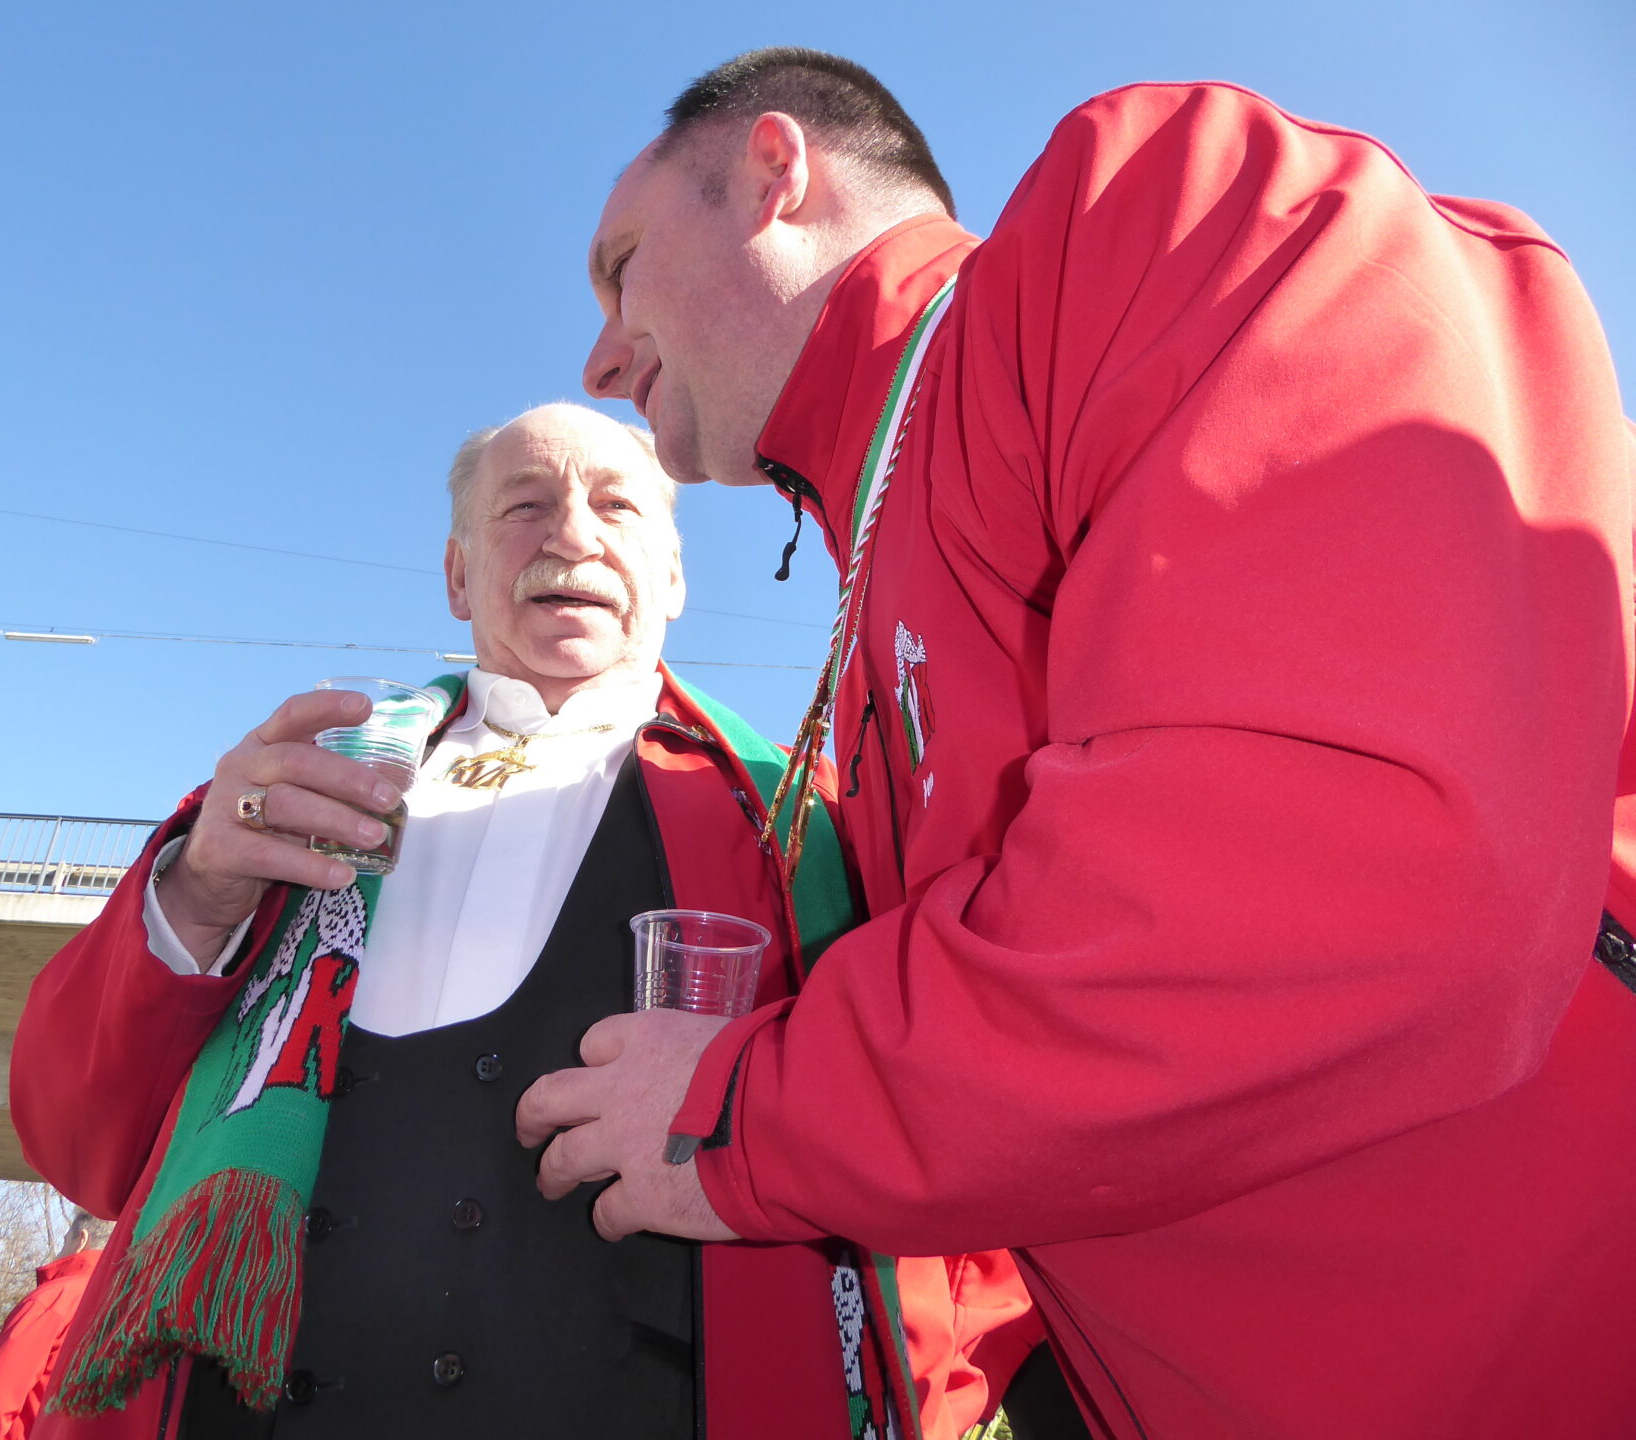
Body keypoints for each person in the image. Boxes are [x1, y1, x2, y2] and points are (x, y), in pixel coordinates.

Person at [515, 48, 1636, 1440]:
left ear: (774, 175)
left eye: (621, 269)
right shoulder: (862, 621)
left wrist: (747, 1112)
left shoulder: (1151, 211)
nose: (601, 356)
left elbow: (1362, 878)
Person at [10, 402, 922, 1440]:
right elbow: (74, 1141)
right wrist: (198, 893)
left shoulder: (805, 828)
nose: (571, 534)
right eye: (524, 507)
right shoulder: (296, 793)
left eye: (616, 507)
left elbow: (934, 1183)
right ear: (456, 575)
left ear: (674, 576)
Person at [0, 1208, 111, 1440]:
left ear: (81, 1240)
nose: (60, 1251)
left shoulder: (53, 1300)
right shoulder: (132, 1308)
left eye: (65, 1241)